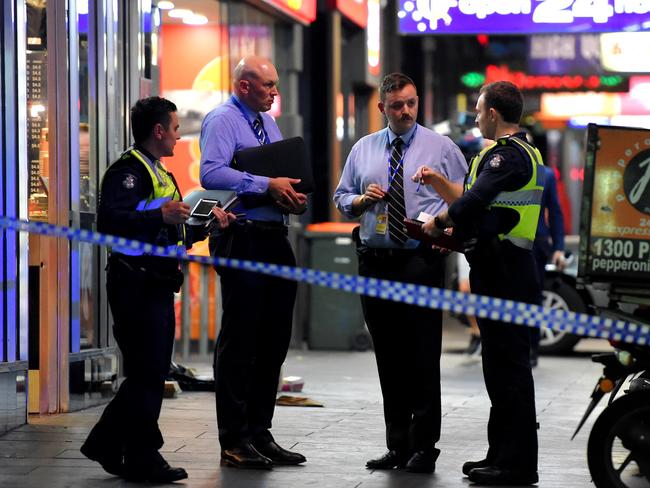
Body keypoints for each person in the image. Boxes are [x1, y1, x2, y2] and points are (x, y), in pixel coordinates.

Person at [81, 96, 235, 482]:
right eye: (176, 128)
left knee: (148, 373)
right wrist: (158, 214)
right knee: (147, 372)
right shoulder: (127, 171)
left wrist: (207, 226)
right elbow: (110, 222)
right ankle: (141, 455)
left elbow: (173, 232)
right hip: (135, 281)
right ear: (158, 131)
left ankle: (114, 446)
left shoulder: (162, 173)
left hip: (157, 282)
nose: (180, 136)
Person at [334, 72, 468, 473]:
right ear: (382, 108)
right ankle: (397, 445)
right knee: (389, 357)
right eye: (397, 105)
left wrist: (446, 228)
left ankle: (424, 447)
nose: (406, 111)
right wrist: (360, 200)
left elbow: (465, 200)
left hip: (419, 261)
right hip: (374, 262)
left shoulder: (441, 147)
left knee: (422, 355)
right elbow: (341, 199)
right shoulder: (363, 149)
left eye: (411, 103)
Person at [421, 81, 542, 485]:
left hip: (508, 274)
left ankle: (517, 465)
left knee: (509, 369)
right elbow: (483, 211)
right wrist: (454, 236)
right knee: (499, 366)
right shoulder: (516, 155)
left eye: (478, 110)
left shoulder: (507, 157)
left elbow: (472, 202)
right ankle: (500, 454)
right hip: (500, 270)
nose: (475, 116)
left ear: (493, 113)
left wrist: (437, 224)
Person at [199, 56, 307, 470]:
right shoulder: (223, 119)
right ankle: (234, 440)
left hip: (273, 237)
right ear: (244, 86)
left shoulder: (267, 123)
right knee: (241, 341)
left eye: (276, 84)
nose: (275, 92)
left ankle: (260, 433)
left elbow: (276, 176)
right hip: (242, 239)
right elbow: (211, 172)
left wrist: (287, 195)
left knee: (273, 340)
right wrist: (266, 184)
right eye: (267, 86)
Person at [530, 164, 566, 366]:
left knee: (533, 296)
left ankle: (531, 349)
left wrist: (558, 246)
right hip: (505, 241)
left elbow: (555, 211)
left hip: (537, 244)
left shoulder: (546, 174)